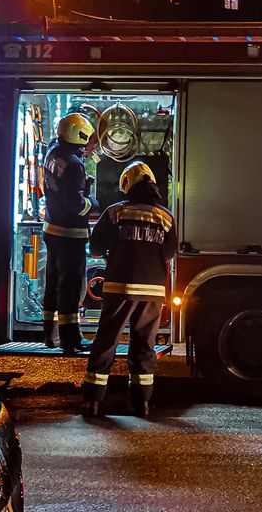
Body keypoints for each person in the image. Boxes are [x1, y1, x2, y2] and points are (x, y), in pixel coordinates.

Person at [83, 161, 177, 417]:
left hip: (119, 287)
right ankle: (141, 403)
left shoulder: (115, 213)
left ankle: (92, 402)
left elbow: (95, 248)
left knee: (106, 341)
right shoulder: (166, 216)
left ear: (127, 185)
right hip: (153, 291)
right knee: (144, 345)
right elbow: (169, 252)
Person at [40, 113, 96, 353]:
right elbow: (76, 204)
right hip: (70, 234)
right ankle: (71, 338)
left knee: (52, 283)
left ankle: (50, 334)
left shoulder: (53, 152)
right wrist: (92, 201)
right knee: (71, 287)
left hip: (52, 229)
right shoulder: (74, 164)